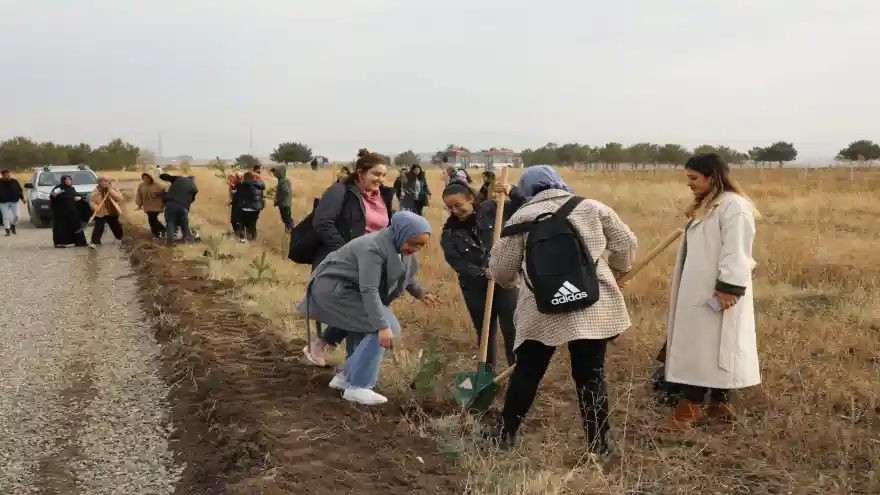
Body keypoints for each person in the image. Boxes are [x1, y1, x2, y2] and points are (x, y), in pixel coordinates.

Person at [485, 165, 637, 466]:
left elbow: (501, 270)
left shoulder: (521, 217)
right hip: (591, 307)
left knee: (527, 372)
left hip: (541, 311)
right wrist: (618, 272)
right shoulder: (591, 207)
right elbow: (626, 244)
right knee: (590, 376)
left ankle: (507, 434)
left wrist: (512, 282)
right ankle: (599, 445)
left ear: (528, 190)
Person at [297, 211, 439, 405]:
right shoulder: (373, 248)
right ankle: (358, 385)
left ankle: (345, 378)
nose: (416, 248)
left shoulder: (395, 244)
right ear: (401, 233)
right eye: (413, 242)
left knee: (378, 325)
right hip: (334, 290)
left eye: (421, 245)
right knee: (388, 326)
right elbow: (369, 289)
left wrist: (420, 293)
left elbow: (404, 274)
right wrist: (382, 326)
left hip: (349, 289)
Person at [662, 152, 761, 430]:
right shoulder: (712, 205)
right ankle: (718, 403)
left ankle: (691, 406)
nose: (689, 184)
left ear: (712, 176)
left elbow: (737, 250)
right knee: (708, 345)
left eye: (693, 178)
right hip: (701, 289)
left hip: (721, 292)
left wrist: (728, 287)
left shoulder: (734, 207)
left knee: (713, 346)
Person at [303, 149, 395, 366]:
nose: (380, 180)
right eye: (375, 174)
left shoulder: (386, 196)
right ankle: (350, 369)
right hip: (344, 264)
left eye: (383, 176)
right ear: (360, 173)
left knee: (366, 311)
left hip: (374, 265)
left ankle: (338, 357)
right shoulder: (339, 191)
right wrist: (349, 252)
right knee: (358, 311)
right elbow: (323, 223)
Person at [440, 179, 525, 370]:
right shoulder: (449, 233)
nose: (454, 211)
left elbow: (528, 207)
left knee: (512, 330)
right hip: (475, 289)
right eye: (449, 207)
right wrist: (484, 273)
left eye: (458, 205)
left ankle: (517, 373)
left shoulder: (495, 209)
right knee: (485, 333)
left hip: (506, 283)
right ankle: (486, 375)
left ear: (471, 199)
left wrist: (512, 191)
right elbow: (457, 262)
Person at [49, 175, 89, 248]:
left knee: (76, 226)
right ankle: (60, 243)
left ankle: (79, 242)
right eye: (66, 180)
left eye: (69, 180)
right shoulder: (59, 188)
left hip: (72, 212)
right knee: (61, 227)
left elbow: (76, 195)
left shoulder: (72, 188)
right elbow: (52, 196)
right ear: (63, 181)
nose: (68, 181)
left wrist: (79, 198)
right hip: (61, 213)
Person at [159, 173, 198, 245]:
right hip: (183, 206)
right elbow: (192, 200)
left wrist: (162, 176)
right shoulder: (194, 187)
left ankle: (170, 241)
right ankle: (187, 239)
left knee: (170, 222)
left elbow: (165, 177)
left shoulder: (179, 179)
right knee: (184, 223)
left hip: (170, 204)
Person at [89, 177, 125, 245]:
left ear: (108, 182)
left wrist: (110, 191)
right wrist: (95, 207)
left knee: (115, 226)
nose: (103, 183)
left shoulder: (113, 189)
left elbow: (120, 198)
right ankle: (95, 242)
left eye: (105, 181)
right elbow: (92, 201)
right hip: (100, 212)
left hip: (111, 211)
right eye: (101, 181)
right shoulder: (96, 191)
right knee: (99, 227)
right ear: (99, 183)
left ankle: (119, 238)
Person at [232, 171, 265, 242]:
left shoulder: (243, 184)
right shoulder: (260, 185)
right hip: (257, 208)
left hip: (245, 207)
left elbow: (236, 195)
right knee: (252, 223)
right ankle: (252, 239)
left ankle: (242, 238)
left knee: (237, 220)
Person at [135, 173, 167, 238]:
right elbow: (139, 195)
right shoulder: (141, 185)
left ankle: (156, 234)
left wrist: (163, 204)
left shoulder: (158, 185)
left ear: (150, 178)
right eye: (144, 178)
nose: (146, 179)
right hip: (147, 206)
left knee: (152, 219)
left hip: (157, 205)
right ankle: (162, 230)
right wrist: (139, 205)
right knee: (153, 220)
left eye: (147, 178)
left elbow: (164, 194)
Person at [0, 169, 26, 236]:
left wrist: (22, 198)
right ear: (2, 175)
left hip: (14, 201)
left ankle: (13, 225)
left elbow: (19, 190)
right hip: (3, 202)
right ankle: (7, 230)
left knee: (17, 216)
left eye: (8, 174)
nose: (8, 176)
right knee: (5, 216)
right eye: (6, 175)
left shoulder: (14, 181)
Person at [270, 166, 293, 232]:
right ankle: (289, 230)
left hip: (284, 204)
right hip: (285, 203)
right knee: (286, 218)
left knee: (286, 219)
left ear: (279, 172)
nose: (274, 174)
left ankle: (290, 231)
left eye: (275, 172)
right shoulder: (282, 180)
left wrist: (278, 200)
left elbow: (286, 192)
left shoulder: (283, 181)